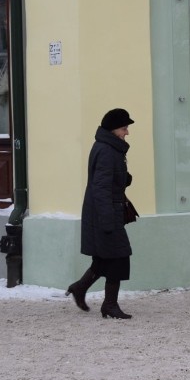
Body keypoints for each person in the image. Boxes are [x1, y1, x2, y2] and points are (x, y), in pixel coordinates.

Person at [66, 108, 136, 319]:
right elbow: (101, 188)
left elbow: (107, 179)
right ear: (114, 129)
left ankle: (80, 288)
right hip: (106, 213)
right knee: (119, 257)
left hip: (106, 211)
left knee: (105, 258)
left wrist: (124, 178)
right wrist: (107, 220)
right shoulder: (107, 150)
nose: (127, 133)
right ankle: (109, 304)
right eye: (124, 129)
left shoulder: (109, 148)